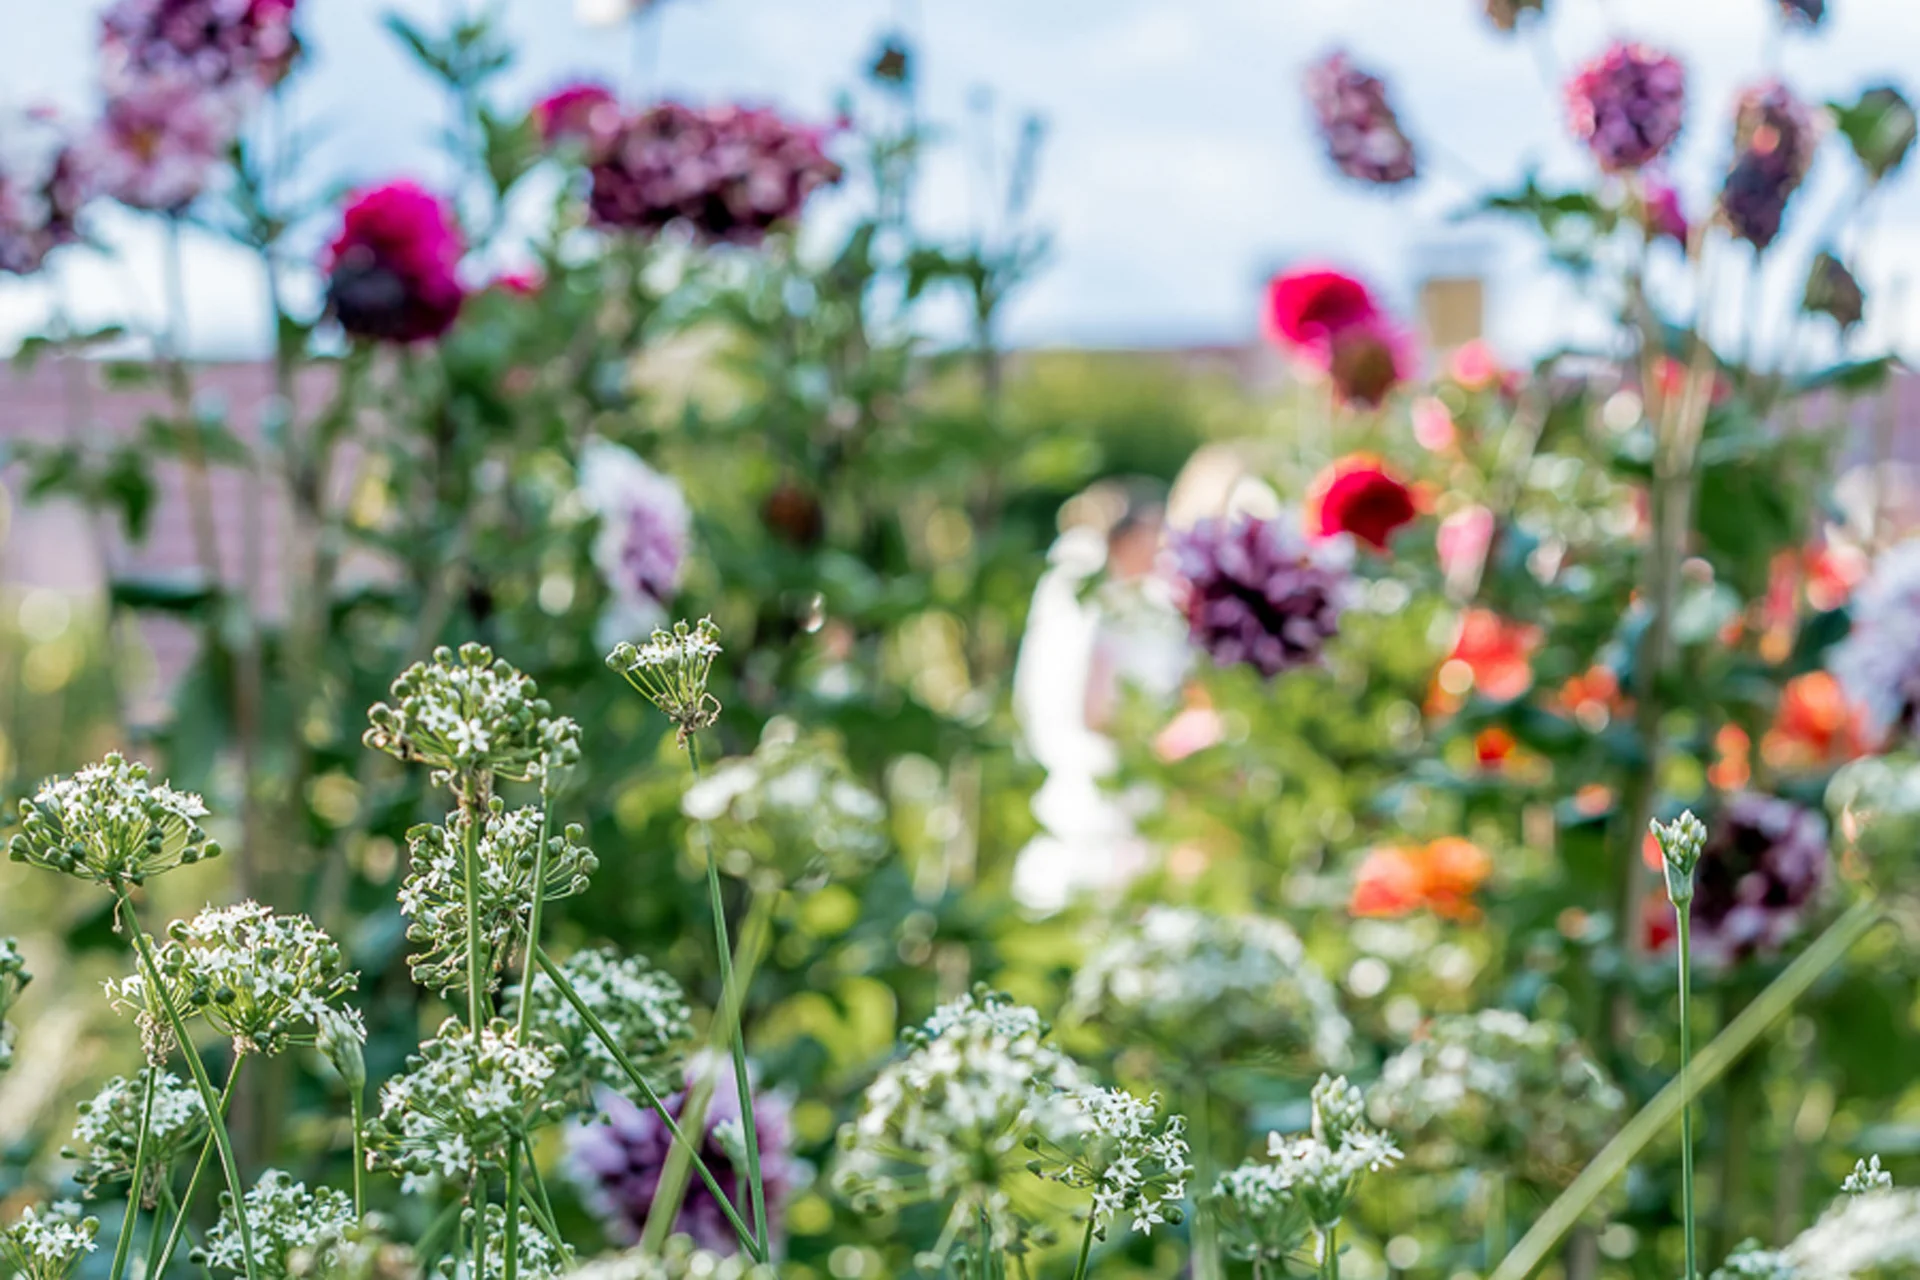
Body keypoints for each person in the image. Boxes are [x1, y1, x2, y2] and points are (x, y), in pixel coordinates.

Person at [1010, 479, 1188, 911]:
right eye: (1155, 531)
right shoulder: (1093, 602)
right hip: (1108, 789)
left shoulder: (1130, 603)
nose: (1164, 546)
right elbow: (1094, 707)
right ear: (1128, 536)